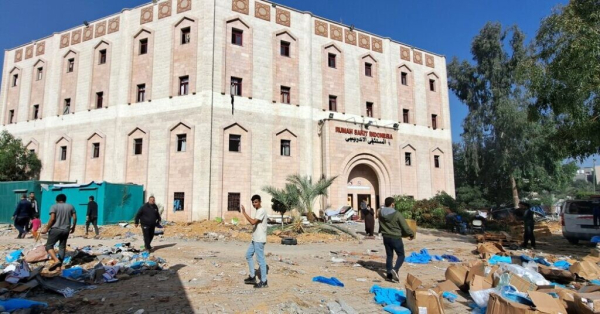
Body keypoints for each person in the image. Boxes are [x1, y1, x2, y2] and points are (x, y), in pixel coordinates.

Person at [378, 197, 414, 282]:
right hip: (395, 237)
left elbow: (380, 223)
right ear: (392, 204)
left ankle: (389, 275)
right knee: (401, 255)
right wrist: (411, 234)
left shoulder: (380, 213)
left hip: (385, 237)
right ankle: (395, 269)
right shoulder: (397, 214)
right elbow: (404, 226)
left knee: (389, 256)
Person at [40, 194, 76, 271]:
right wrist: (73, 227)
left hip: (55, 229)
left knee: (49, 246)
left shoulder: (54, 206)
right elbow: (75, 218)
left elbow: (52, 218)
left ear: (56, 200)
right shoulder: (71, 206)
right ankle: (58, 267)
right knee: (62, 247)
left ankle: (56, 260)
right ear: (65, 199)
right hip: (66, 230)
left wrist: (46, 228)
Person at [241, 195, 269, 288]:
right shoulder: (258, 211)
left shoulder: (261, 211)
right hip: (255, 239)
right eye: (253, 202)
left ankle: (264, 281)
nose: (254, 204)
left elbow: (253, 222)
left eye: (256, 202)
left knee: (261, 261)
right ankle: (252, 276)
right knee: (248, 255)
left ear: (260, 201)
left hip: (259, 240)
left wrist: (244, 213)